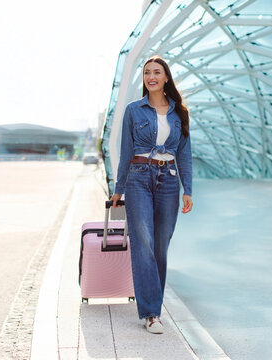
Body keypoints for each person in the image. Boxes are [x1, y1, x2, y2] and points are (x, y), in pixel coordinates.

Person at [110, 55, 193, 334]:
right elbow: (125, 152)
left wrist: (188, 190)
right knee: (143, 241)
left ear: (166, 77)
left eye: (157, 72)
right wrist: (118, 189)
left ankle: (153, 306)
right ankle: (151, 313)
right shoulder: (134, 110)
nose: (151, 77)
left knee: (160, 245)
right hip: (138, 178)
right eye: (147, 73)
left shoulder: (178, 112)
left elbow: (185, 155)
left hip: (169, 181)